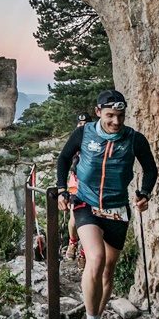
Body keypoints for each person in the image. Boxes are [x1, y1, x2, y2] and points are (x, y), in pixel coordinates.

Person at [56, 90, 157, 319]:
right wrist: (64, 189)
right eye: (110, 115)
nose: (115, 121)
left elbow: (150, 168)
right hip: (86, 204)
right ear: (99, 111)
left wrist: (144, 193)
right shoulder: (84, 133)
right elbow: (64, 159)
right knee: (96, 258)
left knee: (108, 270)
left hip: (117, 209)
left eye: (120, 116)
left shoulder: (134, 139)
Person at [66, 112, 90, 265]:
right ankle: (73, 242)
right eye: (80, 124)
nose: (82, 127)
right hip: (76, 185)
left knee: (91, 221)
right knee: (74, 219)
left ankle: (84, 252)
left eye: (86, 124)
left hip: (91, 187)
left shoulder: (96, 140)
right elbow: (64, 160)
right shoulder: (74, 140)